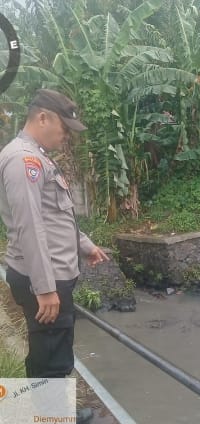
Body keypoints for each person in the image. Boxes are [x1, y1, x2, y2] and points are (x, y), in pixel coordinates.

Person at [0, 89, 109, 423]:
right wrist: (45, 288)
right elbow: (30, 227)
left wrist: (84, 245)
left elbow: (55, 216)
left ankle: (50, 413)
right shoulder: (24, 161)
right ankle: (53, 418)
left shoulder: (37, 157)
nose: (66, 136)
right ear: (43, 117)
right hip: (44, 279)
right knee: (52, 353)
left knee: (49, 348)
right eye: (64, 128)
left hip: (48, 275)